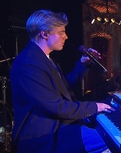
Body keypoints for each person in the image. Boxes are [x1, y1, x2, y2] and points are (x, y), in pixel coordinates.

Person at [10, 9, 114, 153]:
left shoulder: (44, 58)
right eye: (61, 32)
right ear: (44, 34)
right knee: (113, 142)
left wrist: (83, 64)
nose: (66, 36)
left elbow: (65, 88)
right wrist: (94, 107)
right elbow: (55, 106)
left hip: (59, 127)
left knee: (112, 138)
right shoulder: (28, 63)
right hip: (44, 136)